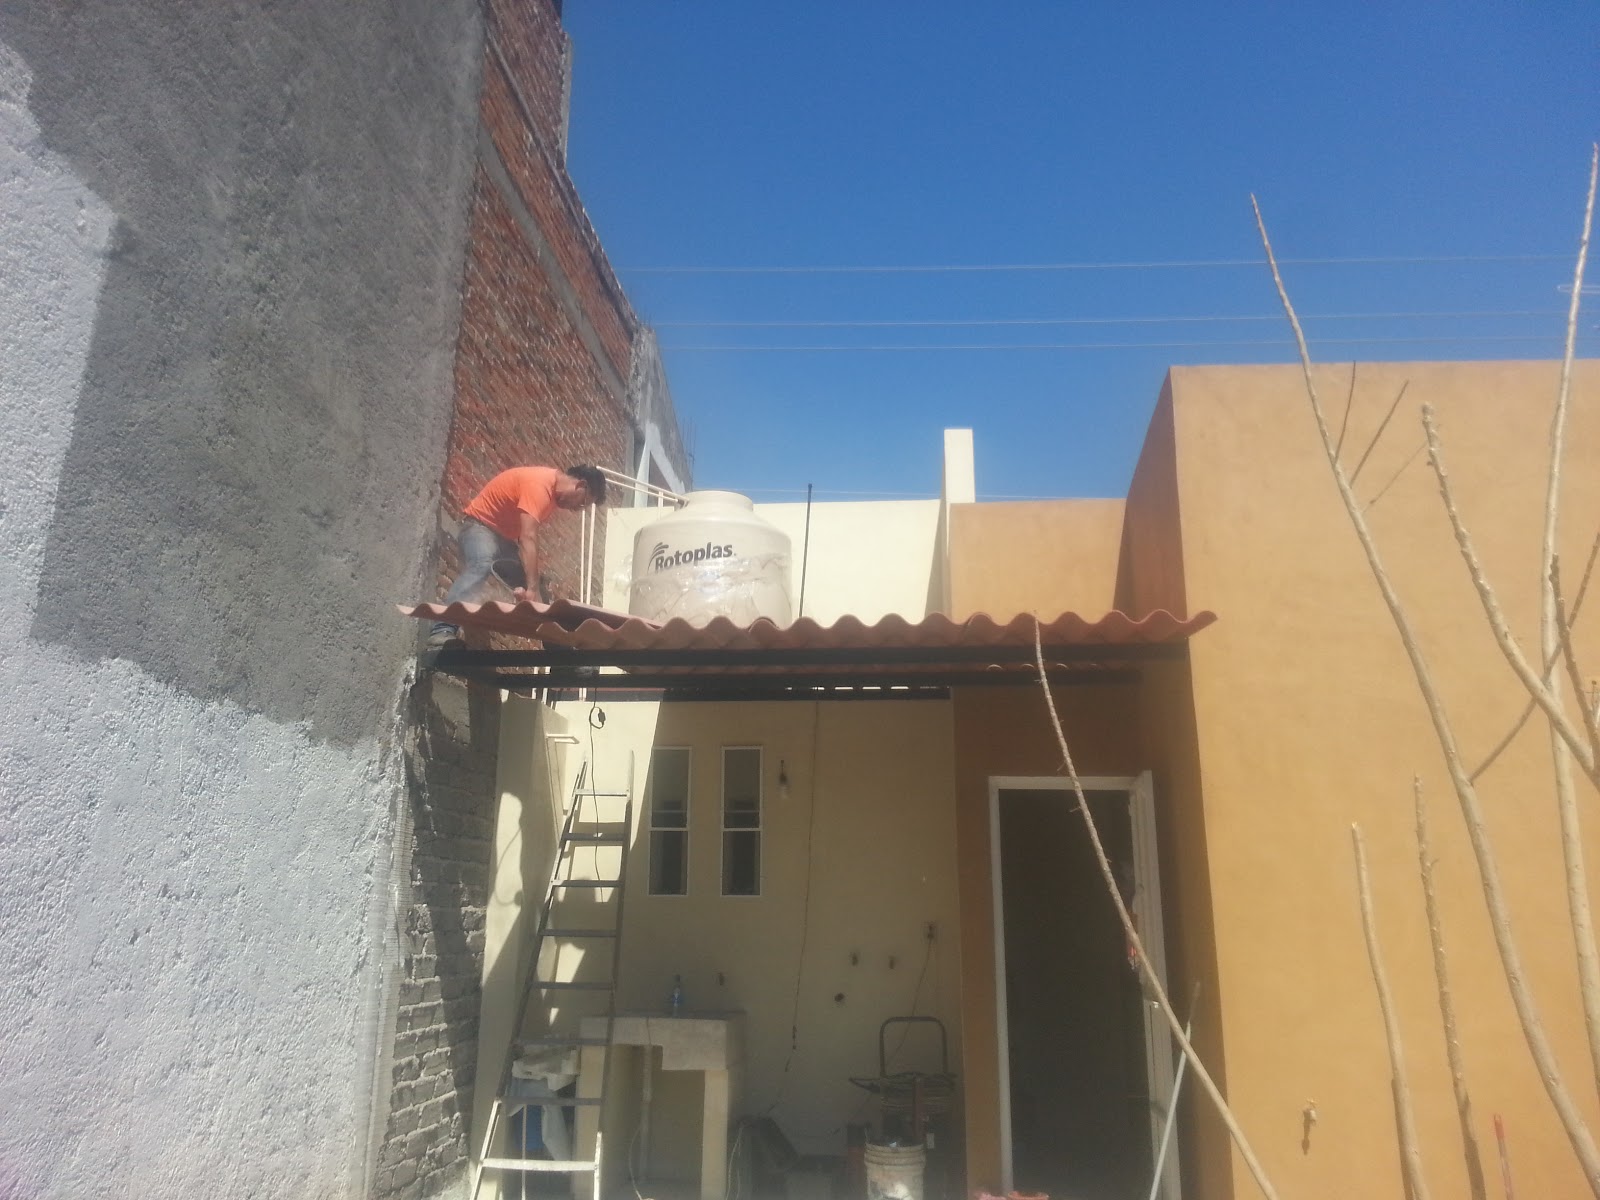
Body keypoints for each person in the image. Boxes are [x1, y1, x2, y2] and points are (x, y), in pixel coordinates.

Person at [426, 464, 606, 649]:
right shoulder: (540, 485)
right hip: (478, 526)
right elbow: (528, 537)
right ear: (580, 485)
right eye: (583, 503)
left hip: (502, 539)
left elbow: (523, 540)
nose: (577, 509)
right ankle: (441, 630)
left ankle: (558, 651)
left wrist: (532, 588)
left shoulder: (551, 495)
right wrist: (531, 589)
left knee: (538, 589)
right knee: (482, 564)